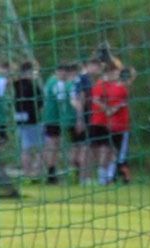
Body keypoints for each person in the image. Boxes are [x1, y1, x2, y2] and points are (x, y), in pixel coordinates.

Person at [39, 62, 76, 183]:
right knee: (53, 145)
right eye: (63, 72)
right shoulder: (58, 83)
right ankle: (50, 173)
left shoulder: (50, 81)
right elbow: (62, 101)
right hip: (53, 118)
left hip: (50, 118)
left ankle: (50, 171)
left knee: (53, 145)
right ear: (59, 72)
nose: (65, 75)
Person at [73, 56, 103, 184]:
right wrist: (80, 119)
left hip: (95, 117)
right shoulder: (82, 79)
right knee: (86, 147)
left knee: (93, 147)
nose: (98, 68)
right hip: (86, 117)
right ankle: (83, 177)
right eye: (96, 65)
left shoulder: (94, 79)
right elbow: (79, 99)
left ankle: (88, 176)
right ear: (89, 65)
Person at [12, 60, 44, 175]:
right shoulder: (32, 86)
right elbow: (40, 103)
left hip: (20, 119)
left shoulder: (16, 84)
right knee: (42, 146)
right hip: (32, 119)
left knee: (25, 147)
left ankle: (27, 172)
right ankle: (35, 171)